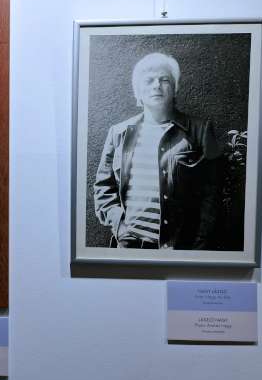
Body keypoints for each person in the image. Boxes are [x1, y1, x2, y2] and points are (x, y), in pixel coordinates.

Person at [93, 52, 221, 250]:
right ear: (137, 90)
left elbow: (212, 197)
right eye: (149, 80)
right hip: (129, 248)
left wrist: (197, 247)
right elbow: (103, 188)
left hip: (179, 249)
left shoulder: (199, 131)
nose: (156, 85)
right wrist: (120, 228)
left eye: (164, 80)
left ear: (175, 88)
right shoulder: (118, 133)